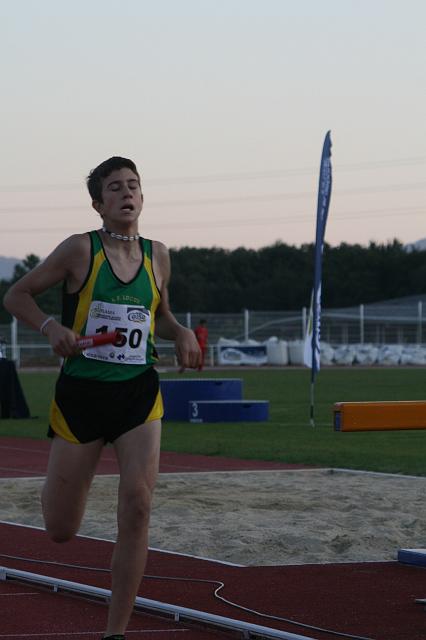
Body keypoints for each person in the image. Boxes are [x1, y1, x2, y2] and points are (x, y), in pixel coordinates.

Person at [3, 156, 201, 640]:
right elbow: (16, 296)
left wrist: (180, 333)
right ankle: (57, 483)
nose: (126, 193)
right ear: (98, 204)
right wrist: (51, 327)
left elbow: (161, 313)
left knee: (137, 504)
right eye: (115, 188)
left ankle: (115, 633)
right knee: (60, 529)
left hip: (138, 393)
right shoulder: (79, 250)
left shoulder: (159, 254)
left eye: (133, 185)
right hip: (82, 397)